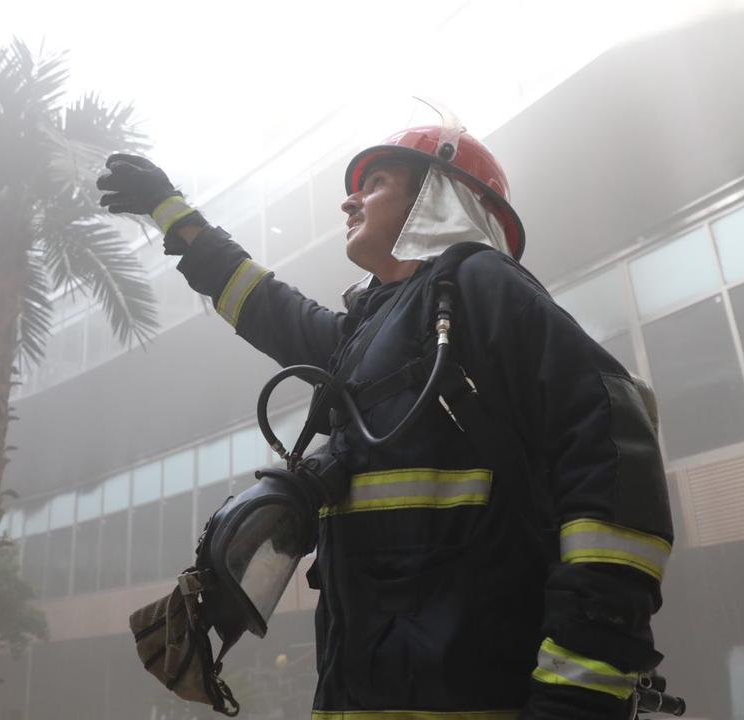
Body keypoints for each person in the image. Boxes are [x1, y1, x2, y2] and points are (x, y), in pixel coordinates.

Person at [100, 123, 674, 720]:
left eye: (374, 183)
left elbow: (614, 450)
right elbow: (266, 306)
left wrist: (577, 694)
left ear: (439, 197)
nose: (349, 200)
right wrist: (173, 214)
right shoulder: (365, 337)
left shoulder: (481, 287)